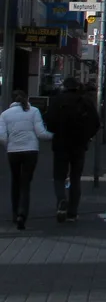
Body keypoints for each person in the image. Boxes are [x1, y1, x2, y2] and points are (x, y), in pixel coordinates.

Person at [45, 77, 100, 223]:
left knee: (59, 176)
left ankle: (61, 199)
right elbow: (95, 123)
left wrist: (56, 132)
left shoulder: (57, 101)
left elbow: (49, 122)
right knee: (76, 178)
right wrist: (86, 136)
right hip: (79, 145)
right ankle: (72, 212)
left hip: (60, 144)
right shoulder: (85, 101)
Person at [0, 91, 53, 229]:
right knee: (25, 183)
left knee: (15, 181)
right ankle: (22, 214)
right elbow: (41, 133)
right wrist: (53, 136)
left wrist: (9, 146)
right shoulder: (34, 111)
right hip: (31, 151)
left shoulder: (4, 115)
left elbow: (2, 137)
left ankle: (14, 213)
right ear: (26, 98)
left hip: (13, 152)